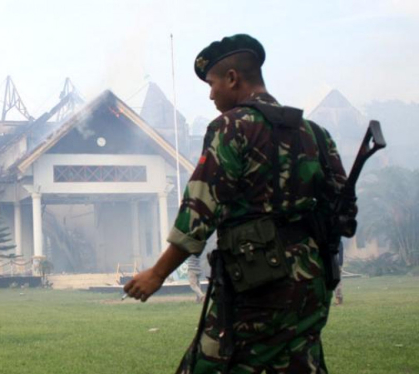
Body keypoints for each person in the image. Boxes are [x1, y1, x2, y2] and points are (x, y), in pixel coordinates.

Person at [124, 34, 350, 373]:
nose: (211, 94)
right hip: (311, 282)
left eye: (213, 84)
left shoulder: (230, 127)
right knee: (299, 363)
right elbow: (344, 211)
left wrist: (157, 274)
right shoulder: (315, 133)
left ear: (233, 78)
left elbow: (199, 212)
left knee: (212, 364)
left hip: (256, 283)